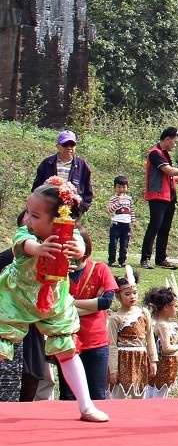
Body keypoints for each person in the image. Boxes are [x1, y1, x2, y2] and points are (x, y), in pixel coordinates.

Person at [0, 180, 106, 421]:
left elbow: (79, 244)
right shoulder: (26, 233)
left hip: (53, 299)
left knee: (67, 349)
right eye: (27, 211)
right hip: (15, 295)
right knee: (1, 347)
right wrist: (38, 249)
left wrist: (77, 249)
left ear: (59, 219)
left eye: (35, 215)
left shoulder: (70, 235)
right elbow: (23, 243)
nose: (27, 218)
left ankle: (86, 405)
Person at [61, 229, 117, 403]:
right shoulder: (58, 273)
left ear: (85, 247)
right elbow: (55, 307)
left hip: (96, 342)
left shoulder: (100, 269)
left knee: (97, 394)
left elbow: (106, 302)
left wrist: (70, 303)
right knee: (68, 396)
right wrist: (93, 304)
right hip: (67, 340)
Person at [140, 127, 178, 271]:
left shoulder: (165, 154)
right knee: (154, 226)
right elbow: (169, 171)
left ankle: (161, 258)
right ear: (167, 139)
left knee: (165, 229)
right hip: (158, 195)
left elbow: (170, 177)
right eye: (175, 141)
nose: (175, 144)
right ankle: (145, 258)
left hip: (169, 197)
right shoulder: (155, 153)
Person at [107, 273, 156, 399]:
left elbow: (150, 337)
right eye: (127, 294)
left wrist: (153, 361)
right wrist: (113, 370)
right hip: (122, 359)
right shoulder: (115, 318)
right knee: (118, 395)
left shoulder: (143, 313)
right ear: (118, 296)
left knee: (140, 395)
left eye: (134, 293)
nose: (132, 297)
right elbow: (112, 345)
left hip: (140, 359)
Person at [32, 130, 93, 215]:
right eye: (65, 144)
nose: (69, 147)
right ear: (58, 146)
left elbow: (88, 191)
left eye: (72, 144)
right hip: (48, 209)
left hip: (71, 212)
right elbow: (36, 187)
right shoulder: (47, 163)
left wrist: (80, 210)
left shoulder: (82, 165)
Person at [145, 285, 178, 398]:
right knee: (160, 394)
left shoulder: (154, 322)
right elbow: (166, 348)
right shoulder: (163, 325)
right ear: (166, 307)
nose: (177, 309)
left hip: (155, 361)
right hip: (166, 363)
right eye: (175, 306)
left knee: (151, 390)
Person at [106, 176, 135, 268]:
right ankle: (112, 260)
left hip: (126, 224)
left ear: (127, 187)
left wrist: (133, 220)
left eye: (124, 187)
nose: (121, 189)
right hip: (116, 223)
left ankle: (122, 261)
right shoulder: (113, 198)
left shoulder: (129, 199)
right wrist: (117, 203)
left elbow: (131, 210)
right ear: (115, 188)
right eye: (119, 187)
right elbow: (110, 209)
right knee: (113, 242)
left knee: (124, 243)